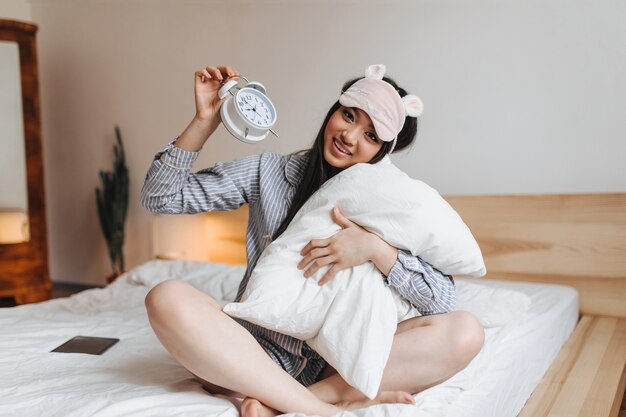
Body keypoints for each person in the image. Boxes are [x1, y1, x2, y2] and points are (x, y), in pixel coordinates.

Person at [141, 64, 485, 417]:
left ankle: (298, 400)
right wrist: (204, 121)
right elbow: (160, 198)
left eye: (370, 135)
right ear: (333, 111)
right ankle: (323, 410)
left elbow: (442, 301)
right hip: (252, 354)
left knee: (466, 332)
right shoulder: (268, 173)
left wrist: (375, 249)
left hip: (338, 364)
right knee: (166, 298)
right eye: (348, 115)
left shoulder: (389, 202)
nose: (349, 136)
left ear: (384, 151)